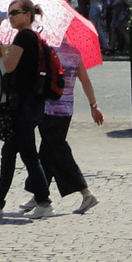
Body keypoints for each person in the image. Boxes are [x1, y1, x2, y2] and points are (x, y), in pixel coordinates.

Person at [0, 0, 53, 218]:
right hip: (24, 102)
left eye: (15, 13)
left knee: (28, 153)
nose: (10, 17)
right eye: (8, 13)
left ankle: (44, 202)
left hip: (25, 103)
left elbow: (9, 65)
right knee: (10, 151)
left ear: (28, 15)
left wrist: (9, 51)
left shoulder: (26, 36)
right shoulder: (25, 37)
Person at [36, 38, 103, 214]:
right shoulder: (75, 52)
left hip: (49, 107)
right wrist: (93, 105)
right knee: (47, 150)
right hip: (66, 109)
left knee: (58, 150)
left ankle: (86, 193)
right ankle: (39, 194)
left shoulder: (48, 49)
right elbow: (85, 80)